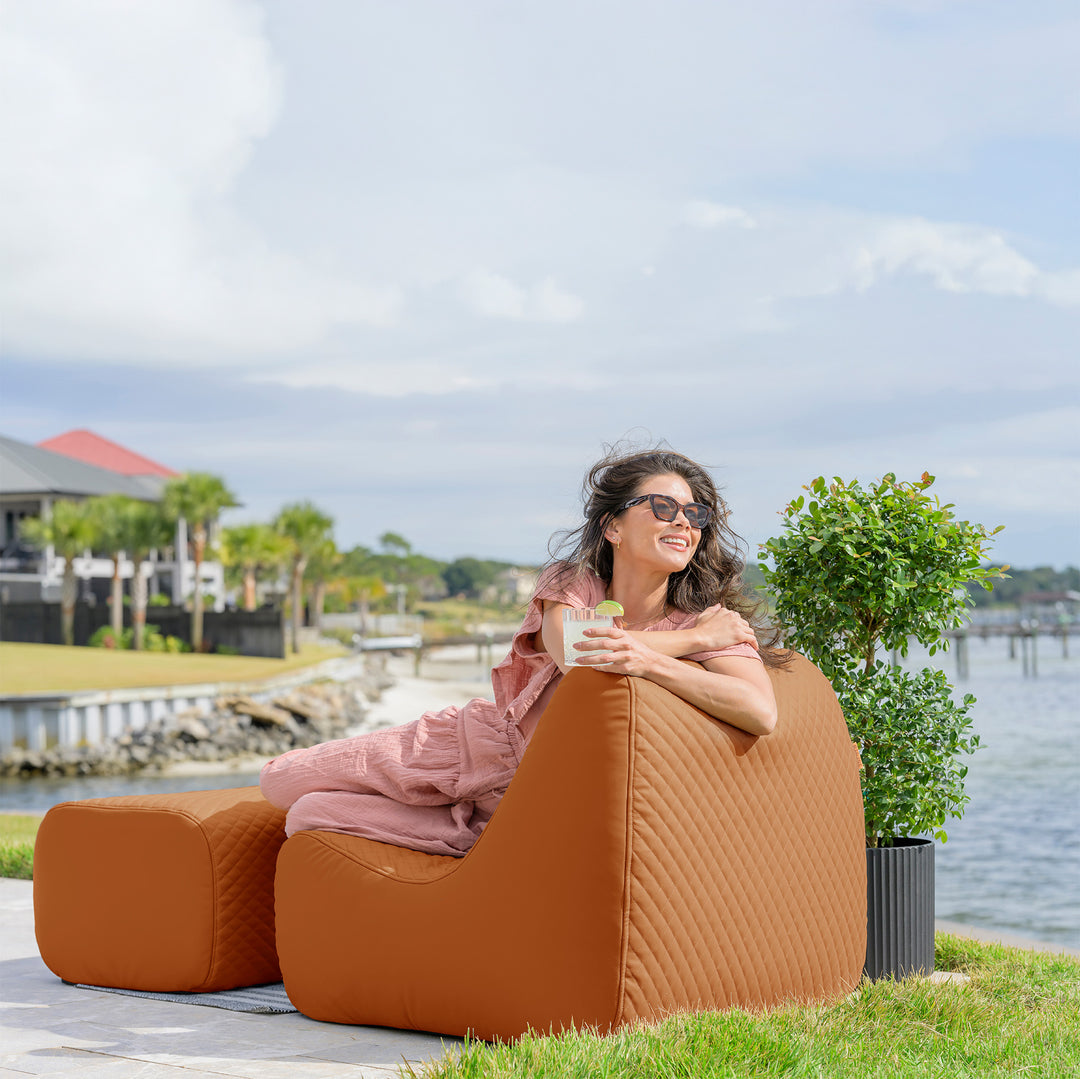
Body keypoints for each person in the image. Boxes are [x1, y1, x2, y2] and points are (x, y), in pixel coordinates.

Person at [259, 446, 783, 857]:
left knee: (307, 813)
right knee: (280, 779)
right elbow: (575, 652)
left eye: (695, 512)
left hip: (535, 795)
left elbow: (758, 711)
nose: (683, 522)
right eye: (663, 507)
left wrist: (654, 657)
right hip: (480, 742)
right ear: (613, 526)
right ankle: (467, 821)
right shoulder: (578, 584)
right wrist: (686, 646)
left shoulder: (711, 618)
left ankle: (474, 833)